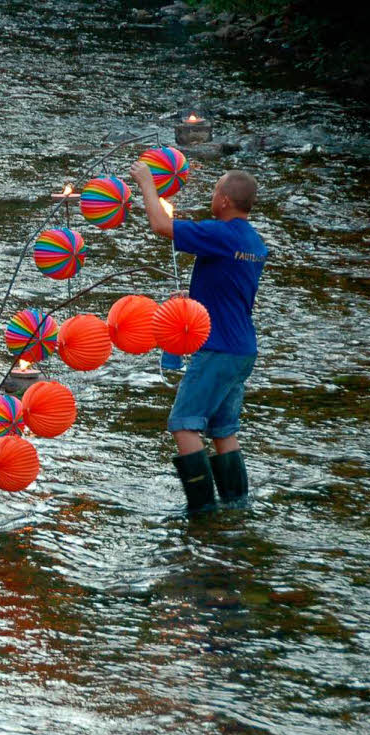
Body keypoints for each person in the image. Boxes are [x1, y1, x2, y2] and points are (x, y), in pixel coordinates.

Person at [129, 163, 267, 514]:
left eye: (214, 190)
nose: (211, 196)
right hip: (242, 349)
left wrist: (147, 182)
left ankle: (203, 512)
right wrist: (191, 304)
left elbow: (161, 225)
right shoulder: (254, 242)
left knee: (183, 424)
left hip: (218, 348)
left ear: (223, 200)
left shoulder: (221, 234)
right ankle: (237, 507)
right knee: (223, 430)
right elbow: (228, 289)